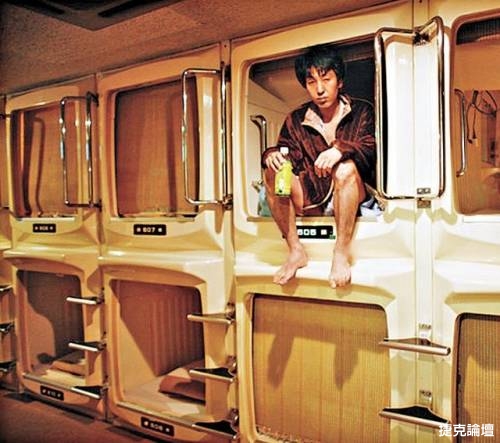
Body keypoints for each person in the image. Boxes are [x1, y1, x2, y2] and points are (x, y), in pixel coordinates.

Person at [262, 44, 376, 288]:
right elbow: (287, 152)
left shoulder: (361, 110)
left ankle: (340, 253)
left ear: (339, 81)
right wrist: (272, 155)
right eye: (311, 81)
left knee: (345, 169)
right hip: (312, 195)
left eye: (326, 79)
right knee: (273, 171)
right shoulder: (296, 119)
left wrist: (340, 150)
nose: (320, 89)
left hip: (350, 192)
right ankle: (295, 251)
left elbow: (371, 148)